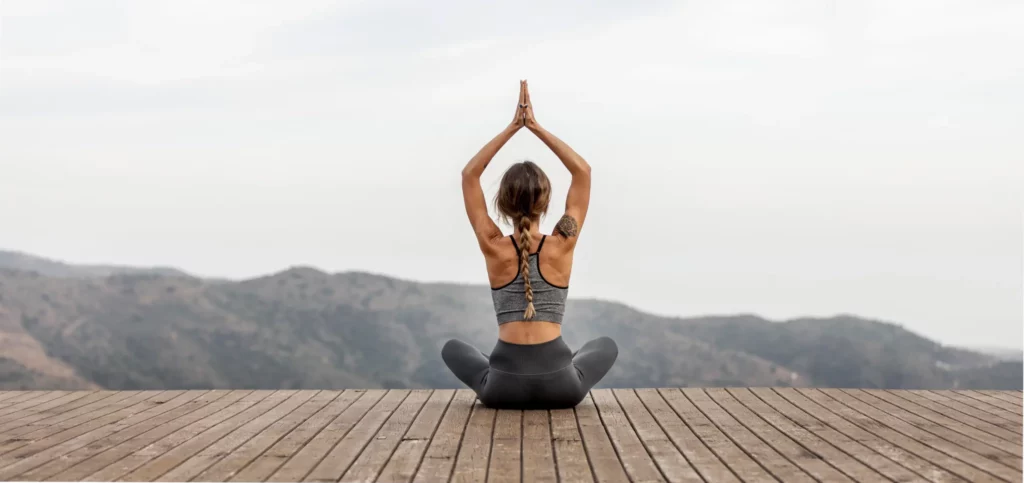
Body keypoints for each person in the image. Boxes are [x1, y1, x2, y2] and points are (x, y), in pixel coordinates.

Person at [442, 80, 618, 410]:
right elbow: (582, 171)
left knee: (453, 348)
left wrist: (513, 127)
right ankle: (559, 363)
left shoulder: (492, 245)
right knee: (603, 345)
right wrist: (535, 127)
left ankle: (501, 368)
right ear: (546, 201)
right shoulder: (562, 244)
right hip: (562, 387)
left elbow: (469, 175)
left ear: (503, 204)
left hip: (501, 390)